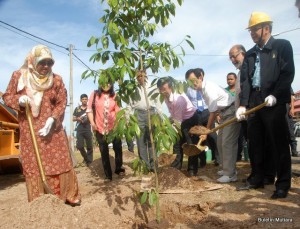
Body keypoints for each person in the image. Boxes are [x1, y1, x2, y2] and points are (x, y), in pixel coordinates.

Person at [3, 44, 81, 206]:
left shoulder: (56, 80)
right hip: (30, 128)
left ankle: (67, 195)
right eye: (42, 62)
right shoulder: (19, 76)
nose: (46, 67)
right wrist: (18, 100)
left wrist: (53, 119)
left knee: (60, 160)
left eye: (49, 63)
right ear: (33, 61)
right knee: (34, 164)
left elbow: (61, 102)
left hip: (53, 129)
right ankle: (39, 201)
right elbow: (7, 96)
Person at [236, 12, 294, 199]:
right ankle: (257, 178)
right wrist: (243, 105)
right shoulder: (251, 54)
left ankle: (283, 183)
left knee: (278, 143)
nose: (251, 33)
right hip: (254, 102)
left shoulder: (282, 46)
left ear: (266, 28)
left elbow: (287, 73)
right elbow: (245, 81)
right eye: (250, 30)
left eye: (254, 29)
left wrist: (276, 95)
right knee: (255, 143)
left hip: (273, 102)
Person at [185, 69, 240, 183]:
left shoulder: (208, 88)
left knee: (227, 143)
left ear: (200, 77)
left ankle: (230, 174)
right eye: (189, 82)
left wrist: (206, 131)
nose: (192, 84)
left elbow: (212, 113)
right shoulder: (201, 89)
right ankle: (226, 170)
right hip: (224, 113)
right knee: (220, 142)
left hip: (230, 111)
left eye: (193, 80)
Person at [157, 77, 201, 177]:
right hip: (180, 120)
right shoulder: (165, 97)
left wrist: (169, 131)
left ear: (171, 87)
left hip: (190, 120)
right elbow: (173, 114)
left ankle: (192, 170)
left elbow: (178, 121)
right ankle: (176, 168)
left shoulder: (178, 99)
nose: (162, 91)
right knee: (177, 144)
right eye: (160, 89)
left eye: (164, 89)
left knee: (190, 146)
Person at [87, 82, 125, 181]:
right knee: (104, 151)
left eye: (108, 82)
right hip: (99, 127)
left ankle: (118, 168)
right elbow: (89, 110)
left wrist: (117, 125)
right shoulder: (94, 94)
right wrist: (92, 123)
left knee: (117, 147)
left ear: (111, 84)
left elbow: (118, 111)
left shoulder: (115, 95)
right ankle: (108, 175)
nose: (106, 84)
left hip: (113, 127)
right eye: (104, 82)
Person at [127, 70, 161, 171]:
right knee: (141, 142)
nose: (141, 78)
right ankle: (145, 166)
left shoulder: (152, 86)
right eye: (138, 76)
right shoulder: (133, 89)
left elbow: (158, 102)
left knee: (152, 141)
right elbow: (129, 105)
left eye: (143, 76)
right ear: (136, 78)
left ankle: (154, 166)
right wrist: (128, 118)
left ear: (146, 76)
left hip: (152, 113)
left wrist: (160, 117)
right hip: (138, 114)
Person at [185, 69, 219, 167]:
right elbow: (189, 102)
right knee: (198, 137)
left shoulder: (207, 87)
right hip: (196, 114)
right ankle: (202, 160)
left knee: (212, 135)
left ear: (201, 77)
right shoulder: (189, 89)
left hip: (208, 112)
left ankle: (217, 158)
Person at [229, 45, 248, 162]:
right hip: (242, 115)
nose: (232, 60)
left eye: (234, 56)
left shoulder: (249, 68)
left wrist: (244, 106)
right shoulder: (240, 72)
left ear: (243, 54)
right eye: (230, 58)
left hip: (249, 112)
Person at [73, 94, 94, 166]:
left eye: (86, 99)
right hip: (79, 129)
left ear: (87, 100)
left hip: (88, 128)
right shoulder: (77, 109)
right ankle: (86, 159)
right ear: (80, 100)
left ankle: (90, 161)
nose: (84, 100)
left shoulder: (89, 108)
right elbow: (73, 118)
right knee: (80, 146)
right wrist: (77, 119)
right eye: (83, 99)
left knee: (89, 146)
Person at [288, 89, 300, 157]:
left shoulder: (284, 80)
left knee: (290, 131)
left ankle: (294, 151)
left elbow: (291, 96)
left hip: (286, 107)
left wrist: (292, 108)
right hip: (275, 108)